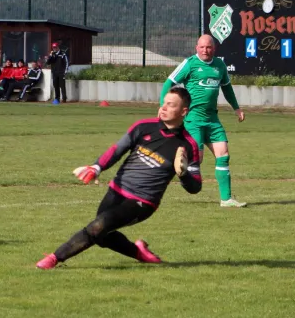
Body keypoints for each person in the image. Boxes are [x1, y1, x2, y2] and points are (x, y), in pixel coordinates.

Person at [36, 87, 201, 269]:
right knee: (100, 234)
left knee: (98, 226)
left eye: (170, 105)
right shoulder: (143, 126)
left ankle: (54, 258)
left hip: (143, 201)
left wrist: (184, 174)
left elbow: (195, 187)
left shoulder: (188, 145)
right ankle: (139, 252)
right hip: (116, 191)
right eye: (164, 103)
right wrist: (97, 167)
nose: (163, 108)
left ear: (183, 111)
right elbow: (117, 149)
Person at [160, 34, 246, 208]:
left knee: (223, 155)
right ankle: (180, 178)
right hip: (193, 120)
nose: (205, 50)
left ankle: (226, 199)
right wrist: (164, 106)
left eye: (208, 47)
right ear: (196, 48)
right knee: (196, 159)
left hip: (213, 120)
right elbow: (168, 82)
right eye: (202, 47)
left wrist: (236, 108)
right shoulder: (190, 64)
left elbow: (227, 88)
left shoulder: (220, 66)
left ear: (214, 48)